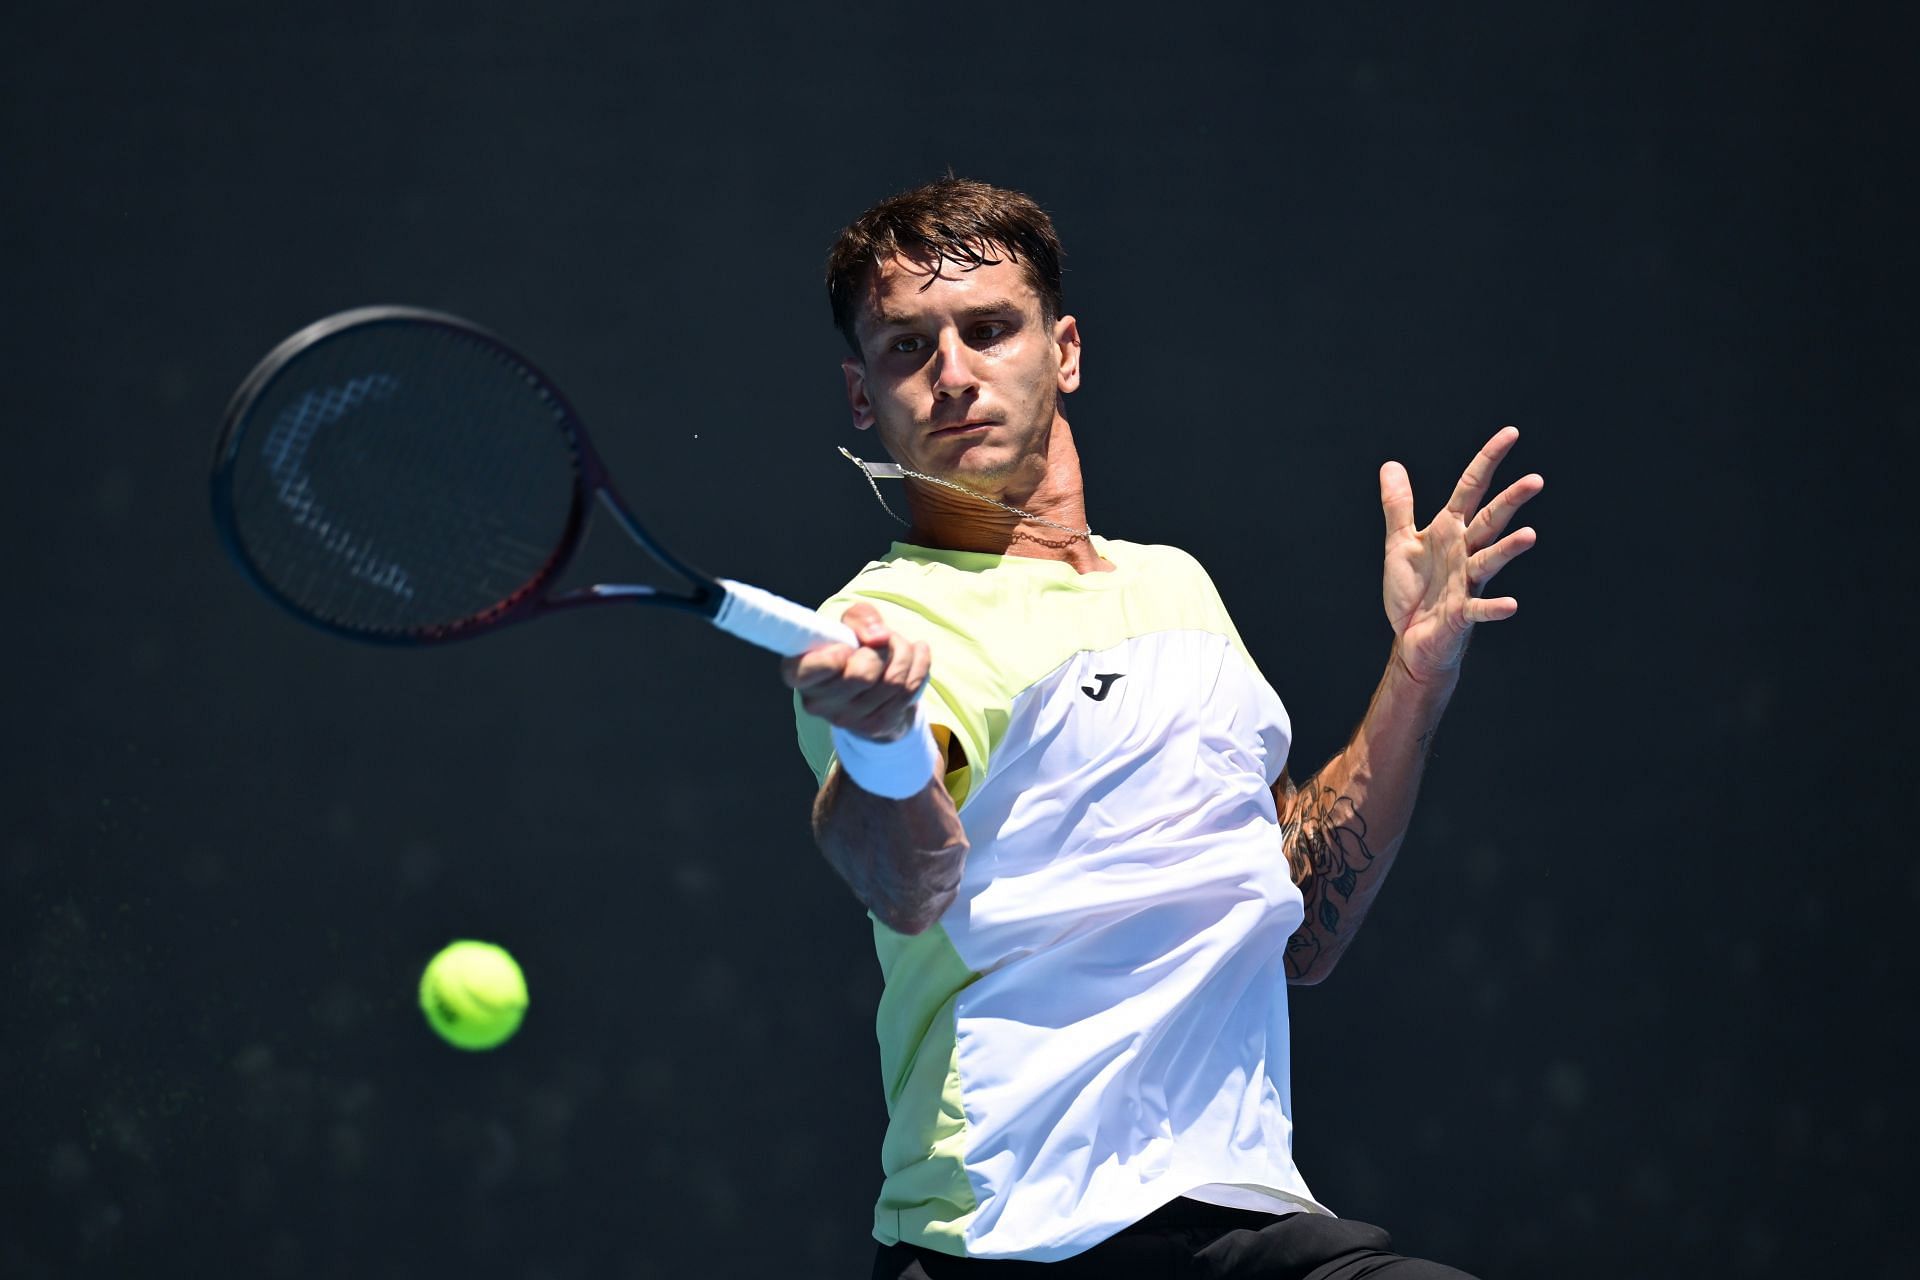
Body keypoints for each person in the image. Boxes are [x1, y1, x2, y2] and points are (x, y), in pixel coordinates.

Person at [782, 178, 1541, 1279]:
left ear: (1067, 349)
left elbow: (1304, 923)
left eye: (990, 328)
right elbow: (906, 878)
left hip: (1240, 1217)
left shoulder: (1179, 588)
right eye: (907, 347)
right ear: (864, 394)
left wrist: (1416, 674)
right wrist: (881, 737)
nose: (953, 372)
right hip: (1006, 1240)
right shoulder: (893, 620)